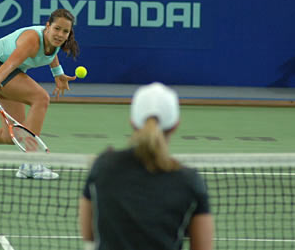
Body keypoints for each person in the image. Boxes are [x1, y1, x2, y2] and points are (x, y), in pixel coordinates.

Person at [79, 83, 214, 250]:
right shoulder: (190, 181)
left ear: (133, 122)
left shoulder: (103, 167)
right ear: (175, 125)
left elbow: (88, 234)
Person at [0, 8, 79, 179]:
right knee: (40, 98)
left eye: (65, 31)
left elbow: (51, 55)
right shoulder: (31, 40)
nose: (60, 34)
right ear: (47, 26)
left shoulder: (55, 42)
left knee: (11, 135)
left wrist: (58, 74)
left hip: (8, 71)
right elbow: (10, 64)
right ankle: (30, 162)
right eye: (57, 29)